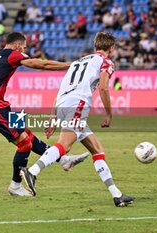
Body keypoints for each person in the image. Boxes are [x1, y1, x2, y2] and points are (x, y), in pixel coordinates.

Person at [0, 32, 89, 196]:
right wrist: (71, 66)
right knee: (25, 144)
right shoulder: (14, 55)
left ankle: (64, 160)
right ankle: (15, 185)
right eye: (24, 47)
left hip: (0, 105)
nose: (24, 50)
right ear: (17, 46)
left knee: (28, 135)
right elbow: (41, 65)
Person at [21, 32, 136, 207]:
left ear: (95, 46)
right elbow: (104, 88)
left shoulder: (78, 62)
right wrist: (109, 114)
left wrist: (53, 116)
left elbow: (61, 89)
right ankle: (33, 171)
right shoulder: (106, 62)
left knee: (97, 150)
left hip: (63, 103)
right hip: (78, 104)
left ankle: (116, 194)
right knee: (64, 146)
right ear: (111, 48)